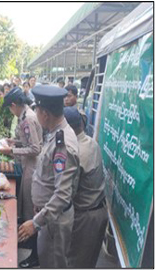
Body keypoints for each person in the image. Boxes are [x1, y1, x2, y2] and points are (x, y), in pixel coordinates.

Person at [18, 85, 80, 268]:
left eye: (36, 110)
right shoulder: (54, 134)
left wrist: (35, 223)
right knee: (46, 261)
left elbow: (62, 195)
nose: (35, 115)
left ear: (45, 113)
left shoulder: (63, 144)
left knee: (53, 263)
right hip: (48, 217)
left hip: (54, 221)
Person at [0, 87, 43, 268]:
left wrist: (12, 150)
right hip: (27, 166)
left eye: (10, 108)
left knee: (30, 211)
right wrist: (14, 142)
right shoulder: (26, 116)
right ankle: (26, 241)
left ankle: (34, 253)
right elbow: (28, 142)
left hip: (31, 168)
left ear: (14, 105)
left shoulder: (28, 120)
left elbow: (35, 148)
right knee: (26, 207)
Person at [64, 107, 108, 268]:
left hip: (86, 216)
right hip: (97, 211)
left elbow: (66, 194)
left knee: (76, 262)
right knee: (87, 261)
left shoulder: (76, 152)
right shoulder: (90, 142)